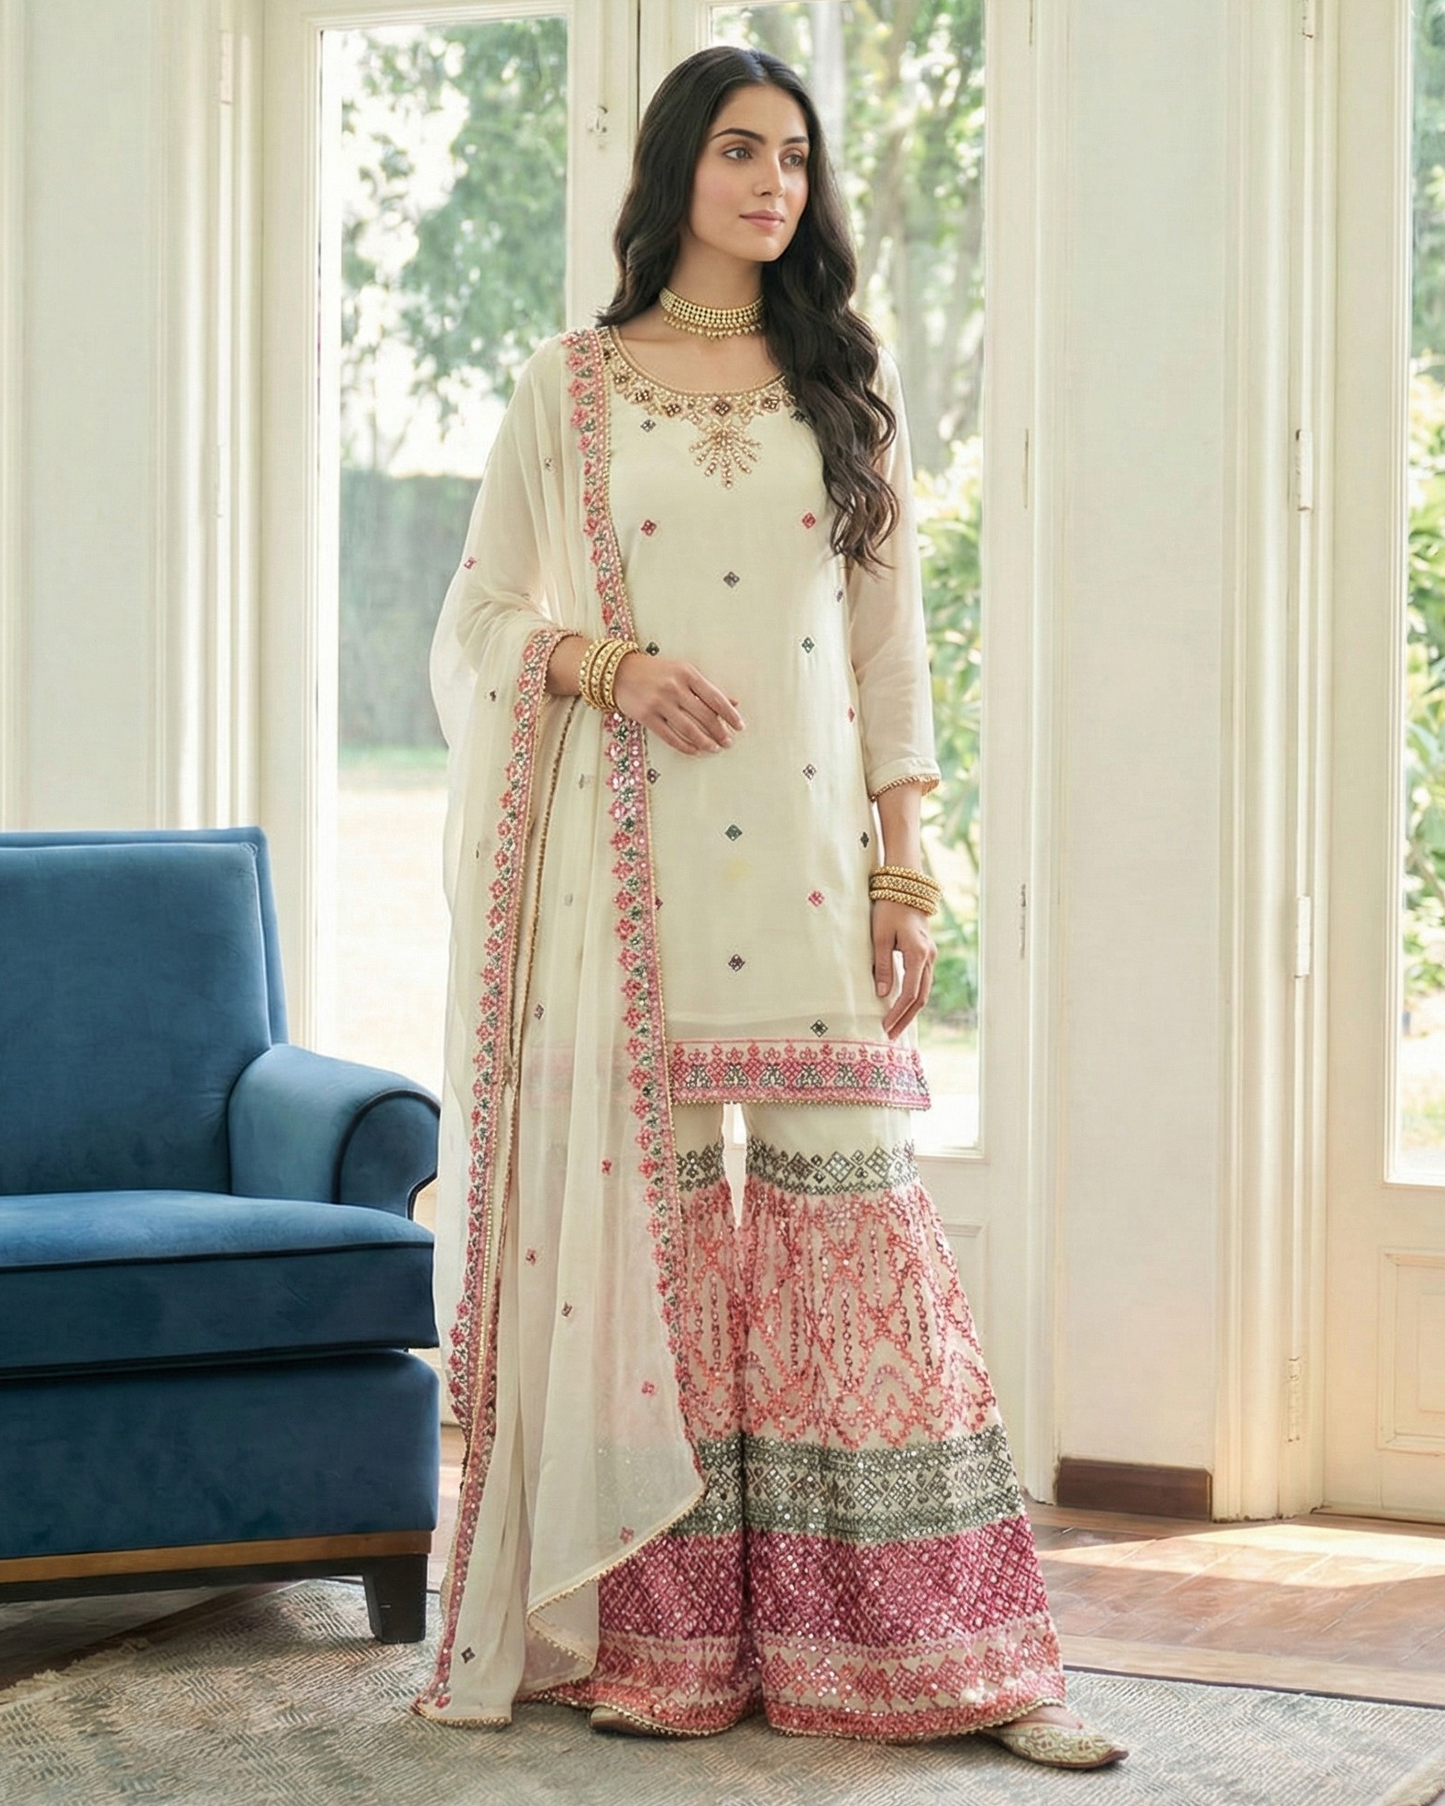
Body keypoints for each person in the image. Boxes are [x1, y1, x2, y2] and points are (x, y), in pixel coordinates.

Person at [412, 44, 1127, 1773]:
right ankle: (657, 1643)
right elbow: (479, 617)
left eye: (797, 158)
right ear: (678, 173)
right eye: (742, 151)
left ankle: (948, 1651)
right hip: (623, 871)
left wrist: (909, 862)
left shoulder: (839, 380)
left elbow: (888, 655)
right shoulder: (568, 386)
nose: (775, 184)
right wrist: (615, 664)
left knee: (850, 1238)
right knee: (638, 1264)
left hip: (804, 863)